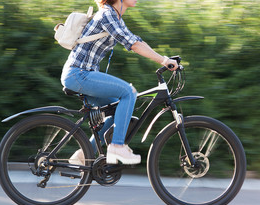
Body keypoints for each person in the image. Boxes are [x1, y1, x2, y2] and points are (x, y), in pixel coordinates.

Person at [61, 0, 178, 165]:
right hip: (79, 74)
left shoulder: (115, 17)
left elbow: (137, 41)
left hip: (82, 75)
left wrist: (165, 59)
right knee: (128, 92)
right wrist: (164, 61)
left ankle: (83, 155)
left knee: (119, 109)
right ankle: (117, 146)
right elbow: (134, 45)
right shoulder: (107, 14)